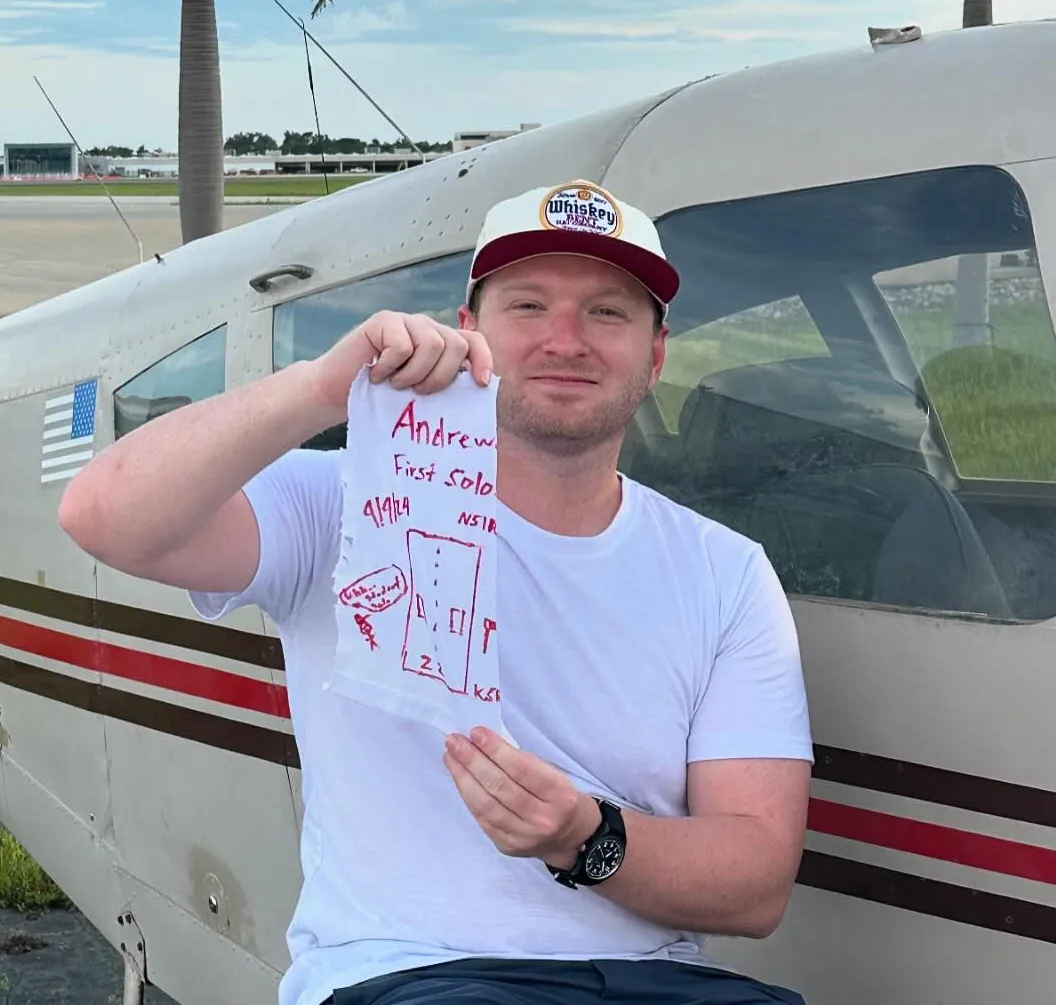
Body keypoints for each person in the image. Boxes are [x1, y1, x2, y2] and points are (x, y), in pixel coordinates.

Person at [58, 180, 814, 1005]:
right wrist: (322, 386)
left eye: (607, 312)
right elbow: (103, 514)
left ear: (655, 352)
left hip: (660, 984)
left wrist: (584, 838)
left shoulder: (725, 569)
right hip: (408, 972)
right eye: (527, 306)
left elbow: (755, 881)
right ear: (469, 332)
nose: (566, 339)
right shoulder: (341, 500)